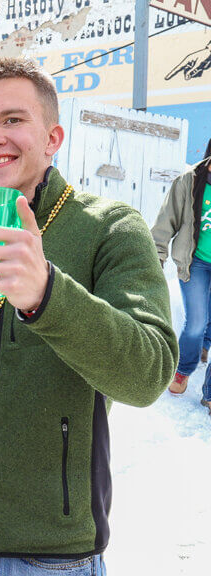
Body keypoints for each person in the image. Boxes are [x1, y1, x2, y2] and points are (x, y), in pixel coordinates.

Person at [0, 57, 176, 576]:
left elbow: (148, 375)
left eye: (12, 120)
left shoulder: (110, 230)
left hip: (53, 558)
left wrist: (46, 295)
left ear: (53, 137)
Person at [151, 137, 211, 414]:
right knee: (197, 322)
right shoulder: (189, 181)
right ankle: (184, 368)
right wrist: (157, 256)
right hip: (195, 262)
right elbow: (166, 222)